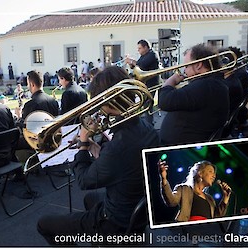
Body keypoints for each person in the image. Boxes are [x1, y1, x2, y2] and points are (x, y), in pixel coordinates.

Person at [37, 66, 160, 246]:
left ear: (107, 102)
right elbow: (123, 165)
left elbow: (84, 181)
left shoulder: (118, 145)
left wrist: (84, 143)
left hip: (116, 224)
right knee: (90, 200)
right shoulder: (146, 128)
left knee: (44, 224)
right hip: (137, 210)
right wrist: (93, 147)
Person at [158, 43, 229, 145]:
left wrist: (170, 81)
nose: (185, 71)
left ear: (198, 65)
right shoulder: (211, 83)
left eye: (186, 66)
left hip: (179, 149)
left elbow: (164, 101)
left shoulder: (206, 86)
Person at [159, 160, 231, 222]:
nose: (214, 176)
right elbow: (171, 201)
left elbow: (217, 218)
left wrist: (225, 197)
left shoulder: (210, 199)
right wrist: (164, 179)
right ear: (200, 173)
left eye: (214, 174)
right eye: (210, 171)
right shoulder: (184, 189)